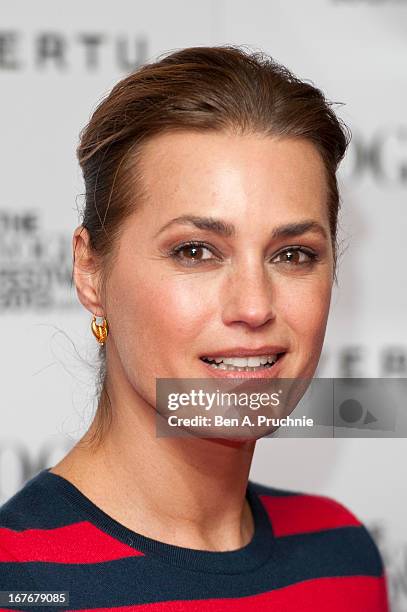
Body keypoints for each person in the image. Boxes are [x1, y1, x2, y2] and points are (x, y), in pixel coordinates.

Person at [0, 45, 389, 611]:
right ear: (91, 273)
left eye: (294, 255)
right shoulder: (17, 582)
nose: (254, 306)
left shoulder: (342, 559)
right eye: (195, 250)